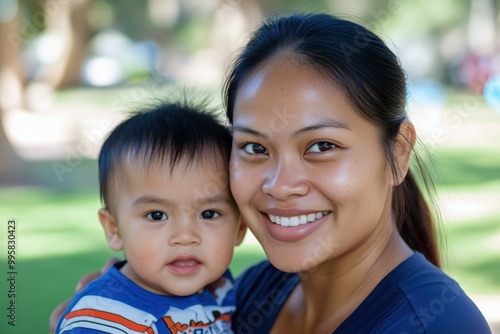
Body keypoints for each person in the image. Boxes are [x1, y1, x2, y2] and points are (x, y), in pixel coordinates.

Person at [52, 13, 492, 333]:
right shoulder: (251, 293)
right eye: (254, 148)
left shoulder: (432, 325)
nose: (280, 184)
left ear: (397, 153)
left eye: (322, 146)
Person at [54, 100, 246, 333]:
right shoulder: (103, 318)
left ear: (240, 228)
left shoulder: (221, 288)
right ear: (115, 230)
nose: (185, 237)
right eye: (157, 215)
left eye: (208, 214)